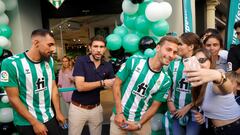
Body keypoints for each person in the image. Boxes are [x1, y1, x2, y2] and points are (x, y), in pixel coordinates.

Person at [0, 29, 65, 135]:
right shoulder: (11, 63)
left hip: (49, 117)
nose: (53, 49)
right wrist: (35, 123)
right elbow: (13, 99)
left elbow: (53, 88)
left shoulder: (50, 61)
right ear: (36, 43)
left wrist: (58, 112)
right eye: (50, 45)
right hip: (26, 122)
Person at [110, 35, 179, 135]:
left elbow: (154, 106)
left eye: (175, 52)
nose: (171, 55)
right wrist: (119, 113)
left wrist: (139, 124)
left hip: (141, 122)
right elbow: (116, 84)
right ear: (158, 48)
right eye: (168, 50)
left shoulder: (166, 80)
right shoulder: (134, 61)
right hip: (119, 117)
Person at [185, 48, 240, 135]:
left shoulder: (217, 75)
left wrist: (218, 77)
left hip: (233, 128)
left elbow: (226, 89)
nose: (199, 63)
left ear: (210, 61)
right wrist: (203, 118)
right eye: (195, 61)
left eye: (202, 60)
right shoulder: (198, 84)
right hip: (215, 129)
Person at [68, 35, 115, 135]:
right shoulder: (81, 61)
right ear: (90, 47)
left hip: (96, 108)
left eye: (101, 47)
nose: (98, 50)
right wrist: (102, 83)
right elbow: (80, 87)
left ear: (105, 49)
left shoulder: (107, 65)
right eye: (95, 46)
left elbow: (112, 83)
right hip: (78, 108)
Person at [166, 32, 202, 135]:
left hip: (195, 114)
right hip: (175, 112)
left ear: (191, 46)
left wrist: (189, 106)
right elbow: (168, 85)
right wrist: (169, 101)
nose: (177, 47)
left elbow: (204, 91)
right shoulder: (173, 64)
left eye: (180, 44)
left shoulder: (200, 64)